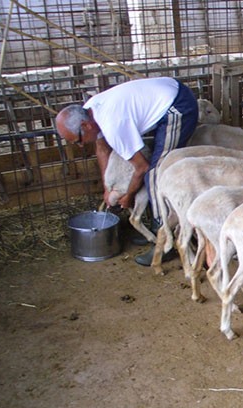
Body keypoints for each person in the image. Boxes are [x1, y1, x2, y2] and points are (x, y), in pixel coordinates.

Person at [55, 77, 199, 266]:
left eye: (78, 140)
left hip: (179, 105)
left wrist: (128, 196)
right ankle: (157, 229)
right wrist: (107, 187)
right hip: (167, 94)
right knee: (154, 170)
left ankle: (165, 242)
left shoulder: (112, 125)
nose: (81, 146)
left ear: (85, 126)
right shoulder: (90, 110)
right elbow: (102, 149)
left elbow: (142, 167)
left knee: (156, 173)